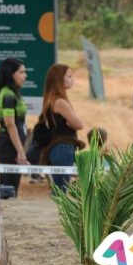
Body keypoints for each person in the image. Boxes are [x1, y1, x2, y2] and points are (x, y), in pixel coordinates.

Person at [37, 64, 84, 193]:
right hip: (62, 148)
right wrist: (71, 121)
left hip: (60, 148)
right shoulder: (59, 102)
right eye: (69, 76)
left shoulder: (51, 100)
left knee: (60, 188)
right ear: (59, 79)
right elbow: (80, 124)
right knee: (61, 190)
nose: (72, 80)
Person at [0, 58, 28, 196]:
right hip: (8, 146)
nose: (25, 75)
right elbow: (10, 124)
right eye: (22, 72)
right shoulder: (7, 94)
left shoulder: (12, 93)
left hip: (11, 145)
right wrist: (20, 151)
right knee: (8, 191)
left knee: (11, 189)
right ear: (12, 74)